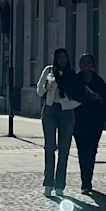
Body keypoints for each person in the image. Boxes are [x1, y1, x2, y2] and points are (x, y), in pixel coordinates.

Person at [36, 48, 87, 198]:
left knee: (64, 149)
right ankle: (48, 183)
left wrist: (66, 104)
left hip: (67, 112)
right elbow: (40, 91)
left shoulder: (72, 75)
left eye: (65, 57)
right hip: (50, 110)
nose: (62, 60)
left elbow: (80, 98)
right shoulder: (49, 71)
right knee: (49, 147)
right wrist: (48, 86)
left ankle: (60, 184)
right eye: (59, 57)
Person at [74, 55, 106, 194]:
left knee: (91, 151)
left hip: (95, 122)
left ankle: (87, 181)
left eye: (89, 62)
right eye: (84, 62)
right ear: (80, 64)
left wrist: (100, 100)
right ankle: (85, 181)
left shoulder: (98, 80)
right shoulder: (76, 79)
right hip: (79, 122)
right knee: (82, 151)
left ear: (93, 65)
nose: (86, 65)